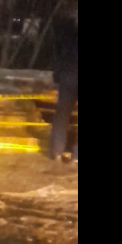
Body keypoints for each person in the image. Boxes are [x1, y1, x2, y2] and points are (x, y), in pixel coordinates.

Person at [49, 10, 78, 161]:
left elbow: (60, 55)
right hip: (69, 75)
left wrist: (58, 75)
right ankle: (75, 156)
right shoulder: (67, 35)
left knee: (62, 115)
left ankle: (57, 152)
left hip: (67, 76)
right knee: (62, 115)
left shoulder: (67, 34)